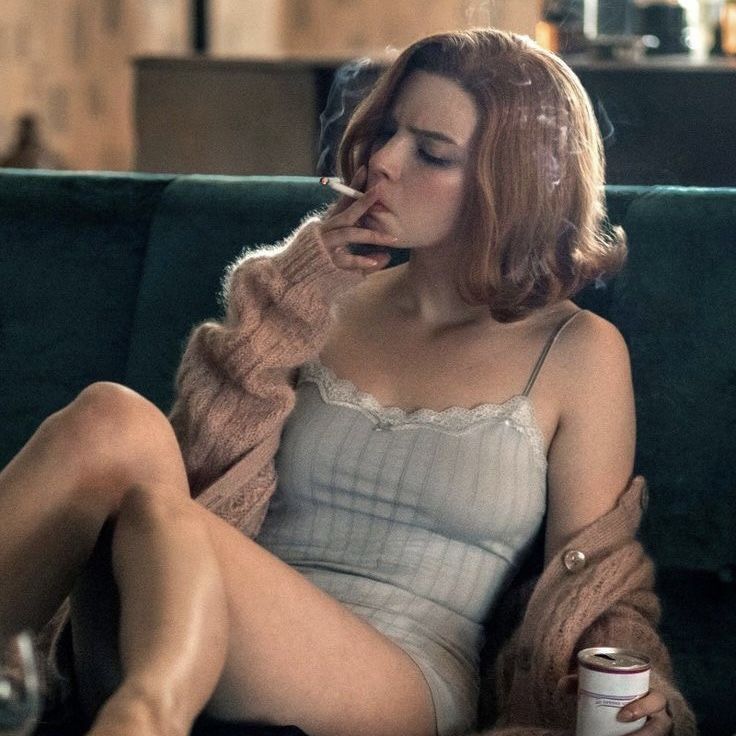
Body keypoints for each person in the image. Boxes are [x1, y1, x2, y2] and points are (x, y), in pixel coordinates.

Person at [0, 28, 696, 736]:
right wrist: (293, 294)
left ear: (508, 184)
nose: (382, 161)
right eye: (388, 131)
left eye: (431, 152)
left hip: (401, 676)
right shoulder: (318, 299)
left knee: (166, 519)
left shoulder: (578, 351)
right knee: (113, 420)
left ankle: (142, 720)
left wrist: (641, 690)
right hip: (193, 612)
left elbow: (593, 577)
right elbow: (199, 473)